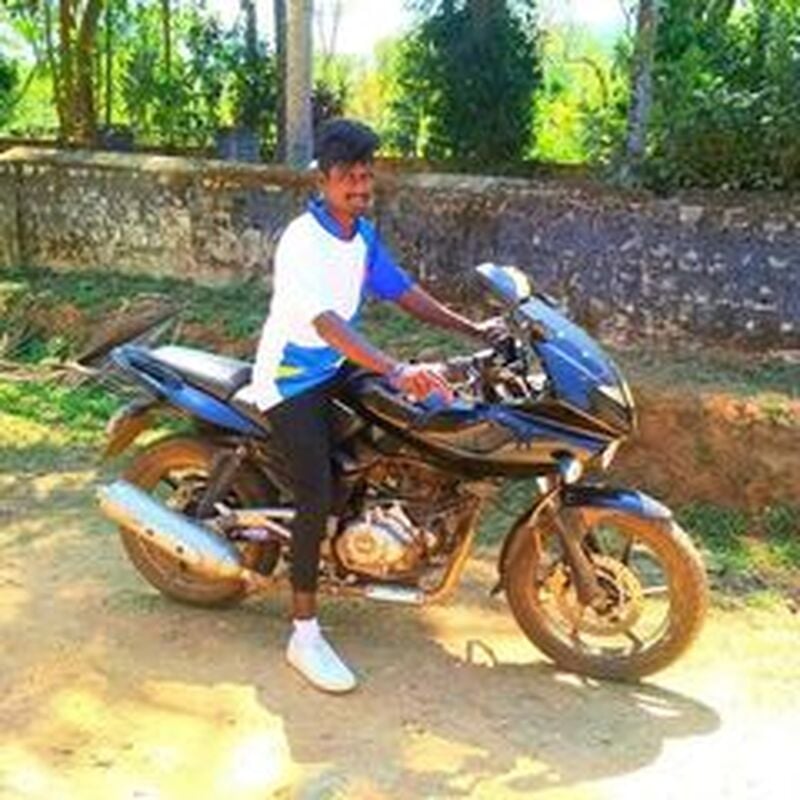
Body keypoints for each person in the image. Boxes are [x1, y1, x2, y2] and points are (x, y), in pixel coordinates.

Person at [236, 118, 504, 694]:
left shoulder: (361, 237)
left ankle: (382, 528)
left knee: (422, 411)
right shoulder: (302, 241)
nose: (360, 186)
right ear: (324, 180)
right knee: (316, 492)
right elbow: (327, 325)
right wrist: (394, 368)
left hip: (335, 366)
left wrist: (471, 328)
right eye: (348, 177)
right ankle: (304, 634)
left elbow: (403, 290)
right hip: (291, 379)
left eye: (366, 175)